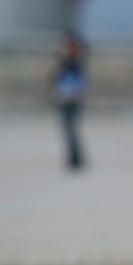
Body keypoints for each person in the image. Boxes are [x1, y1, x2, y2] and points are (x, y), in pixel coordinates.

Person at [49, 31, 88, 170]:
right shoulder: (65, 64)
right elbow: (57, 81)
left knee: (70, 129)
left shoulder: (74, 64)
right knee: (69, 130)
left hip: (72, 99)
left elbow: (78, 82)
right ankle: (75, 158)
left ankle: (75, 159)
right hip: (66, 98)